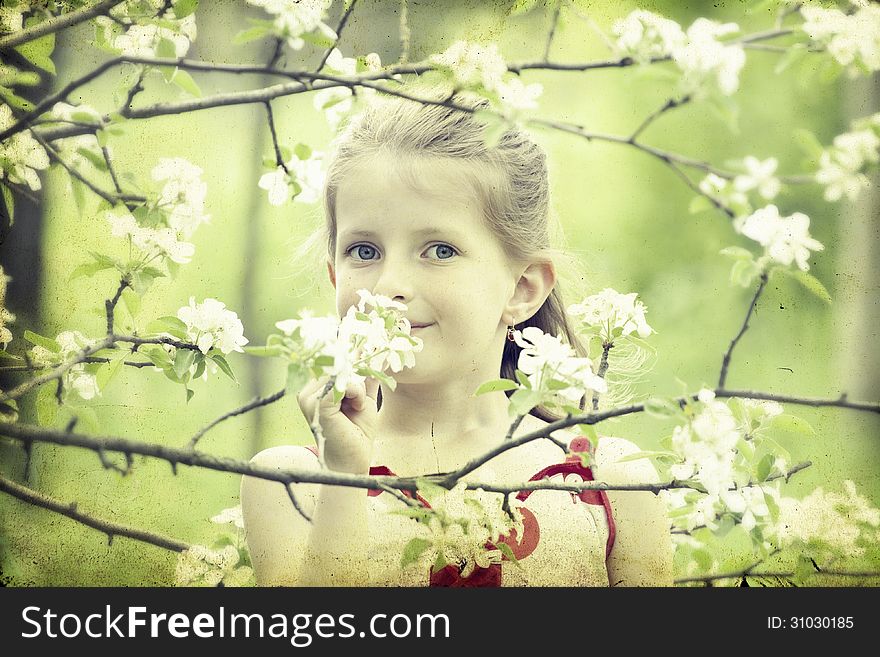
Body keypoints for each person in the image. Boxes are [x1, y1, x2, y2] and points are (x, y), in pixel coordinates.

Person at [240, 91, 673, 587]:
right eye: (364, 250)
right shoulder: (291, 484)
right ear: (335, 276)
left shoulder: (609, 481)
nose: (388, 287)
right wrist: (343, 474)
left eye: (439, 250)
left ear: (522, 289)